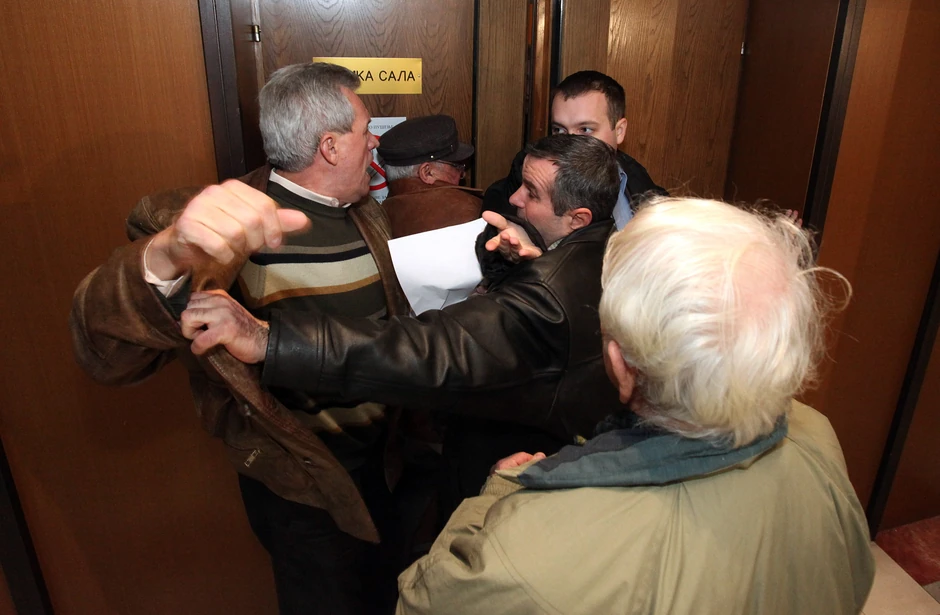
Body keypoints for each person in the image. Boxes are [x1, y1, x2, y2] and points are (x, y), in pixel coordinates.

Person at [396, 198, 876, 615]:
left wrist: (495, 499)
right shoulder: (817, 437)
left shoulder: (525, 560)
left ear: (622, 367)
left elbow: (421, 602)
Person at [70, 62, 411, 614]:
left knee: (389, 592)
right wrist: (166, 256)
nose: (375, 140)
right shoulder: (221, 231)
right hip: (305, 486)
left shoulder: (365, 212)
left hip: (385, 461)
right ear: (329, 147)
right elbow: (104, 354)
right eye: (366, 128)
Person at [176, 133, 625, 520]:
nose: (514, 199)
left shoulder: (546, 295)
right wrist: (516, 265)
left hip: (504, 475)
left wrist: (268, 339)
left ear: (578, 218)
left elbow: (426, 349)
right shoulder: (609, 254)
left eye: (532, 193)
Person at [484, 70, 667, 232]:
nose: (569, 142)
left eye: (585, 130)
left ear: (619, 131)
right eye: (559, 130)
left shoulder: (636, 177)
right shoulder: (526, 178)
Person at [378, 114, 482, 238]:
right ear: (427, 172)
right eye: (456, 166)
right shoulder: (470, 211)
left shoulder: (378, 216)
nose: (463, 174)